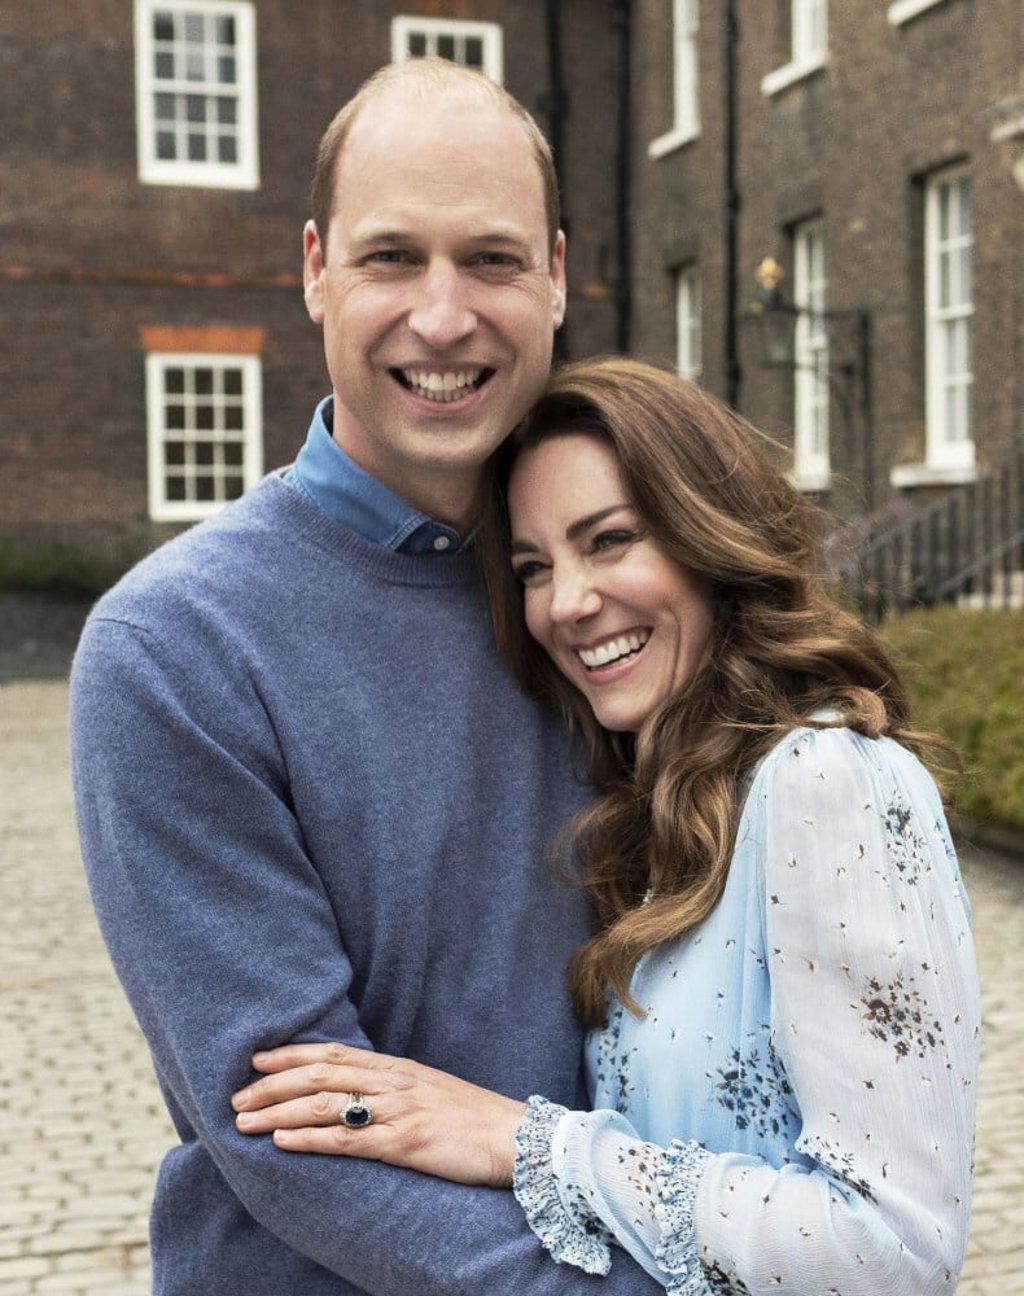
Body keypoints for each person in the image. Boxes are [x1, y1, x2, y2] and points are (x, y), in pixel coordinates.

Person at [70, 63, 663, 1295]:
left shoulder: (619, 602)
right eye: (391, 257)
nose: (442, 318)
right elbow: (296, 1135)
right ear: (312, 269)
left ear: (555, 272)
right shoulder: (174, 648)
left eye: (492, 261)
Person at [231, 358, 982, 1295]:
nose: (567, 603)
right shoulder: (669, 804)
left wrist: (520, 1139)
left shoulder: (831, 783)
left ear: (712, 537)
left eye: (611, 539)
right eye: (534, 567)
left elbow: (893, 1253)